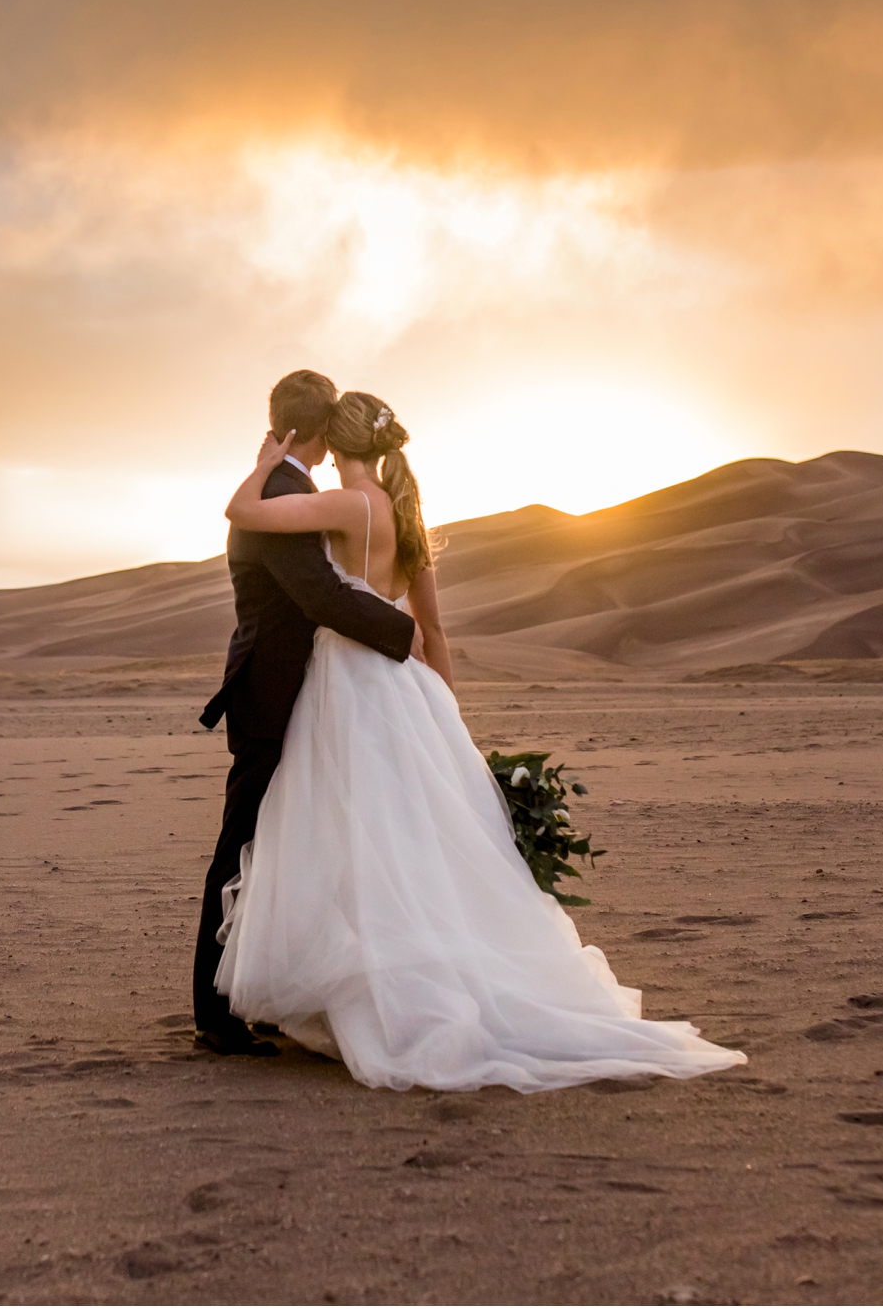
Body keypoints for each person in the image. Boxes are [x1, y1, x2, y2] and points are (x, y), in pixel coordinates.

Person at [210, 389, 749, 1092]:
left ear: (336, 446)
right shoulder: (405, 516)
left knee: (349, 837)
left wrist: (261, 463)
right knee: (414, 841)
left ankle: (367, 992)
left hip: (346, 685)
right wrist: (447, 722)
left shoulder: (351, 505)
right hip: (408, 689)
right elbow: (434, 633)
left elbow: (243, 512)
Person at [194, 370, 420, 1056]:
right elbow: (319, 594)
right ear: (316, 433)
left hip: (291, 685)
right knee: (243, 841)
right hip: (273, 687)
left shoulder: (284, 485)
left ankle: (254, 988)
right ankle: (216, 1007)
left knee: (278, 840)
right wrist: (399, 633)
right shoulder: (288, 490)